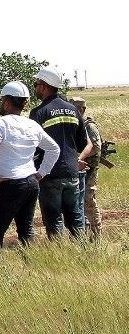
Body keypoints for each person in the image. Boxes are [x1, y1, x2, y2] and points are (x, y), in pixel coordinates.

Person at [0, 81, 60, 248]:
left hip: (9, 183)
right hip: (31, 182)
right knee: (26, 231)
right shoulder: (32, 125)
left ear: (6, 102)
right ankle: (30, 264)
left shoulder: (0, 124)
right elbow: (54, 149)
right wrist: (41, 172)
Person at [29, 66, 88, 239]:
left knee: (54, 220)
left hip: (50, 175)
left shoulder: (38, 113)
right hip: (72, 173)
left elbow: (34, 147)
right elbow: (82, 143)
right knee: (75, 218)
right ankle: (82, 252)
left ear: (44, 86)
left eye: (36, 83)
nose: (35, 87)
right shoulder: (73, 110)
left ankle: (59, 254)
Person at [71, 96, 103, 240]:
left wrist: (80, 157)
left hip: (89, 169)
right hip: (77, 169)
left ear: (81, 110)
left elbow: (95, 147)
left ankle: (96, 234)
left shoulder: (89, 126)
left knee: (88, 200)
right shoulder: (75, 125)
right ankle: (82, 233)